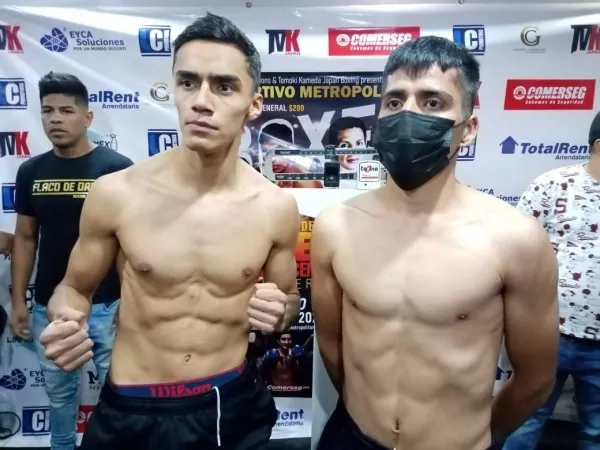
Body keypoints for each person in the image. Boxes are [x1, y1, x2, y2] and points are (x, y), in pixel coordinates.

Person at [38, 13, 300, 450]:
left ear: (254, 104)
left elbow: (287, 301)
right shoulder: (116, 193)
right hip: (134, 405)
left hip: (229, 400)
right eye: (188, 82)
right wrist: (66, 319)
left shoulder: (276, 207)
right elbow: (73, 288)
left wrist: (280, 312)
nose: (201, 101)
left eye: (224, 86)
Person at [311, 35, 560, 450]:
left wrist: (477, 437)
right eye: (394, 101)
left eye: (432, 102)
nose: (408, 114)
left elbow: (535, 379)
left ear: (468, 129)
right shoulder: (336, 226)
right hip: (352, 438)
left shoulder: (515, 239)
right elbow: (332, 348)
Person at [8, 72, 132, 450]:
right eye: (48, 111)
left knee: (119, 393)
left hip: (108, 304)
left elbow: (128, 243)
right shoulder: (31, 171)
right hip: (49, 306)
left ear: (87, 117)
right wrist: (18, 302)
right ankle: (62, 446)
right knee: (59, 395)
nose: (56, 119)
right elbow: (25, 238)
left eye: (66, 110)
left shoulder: (116, 168)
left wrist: (129, 303)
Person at [502, 111, 600, 450]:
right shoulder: (552, 186)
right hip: (546, 335)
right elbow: (514, 251)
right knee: (524, 422)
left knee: (596, 433)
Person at [260, 123, 323, 188]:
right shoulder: (276, 179)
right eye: (266, 152)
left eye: (277, 151)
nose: (272, 159)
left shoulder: (305, 181)